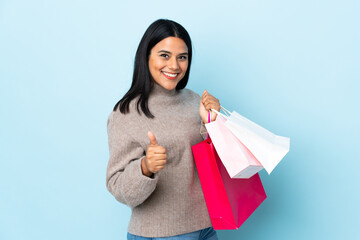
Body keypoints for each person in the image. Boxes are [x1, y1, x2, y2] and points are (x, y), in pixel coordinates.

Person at [106, 19, 220, 240]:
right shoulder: (126, 113)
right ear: (146, 56)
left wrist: (212, 124)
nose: (174, 66)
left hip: (207, 225)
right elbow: (116, 185)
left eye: (182, 57)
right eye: (164, 55)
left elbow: (211, 166)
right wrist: (145, 167)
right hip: (161, 234)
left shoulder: (194, 100)